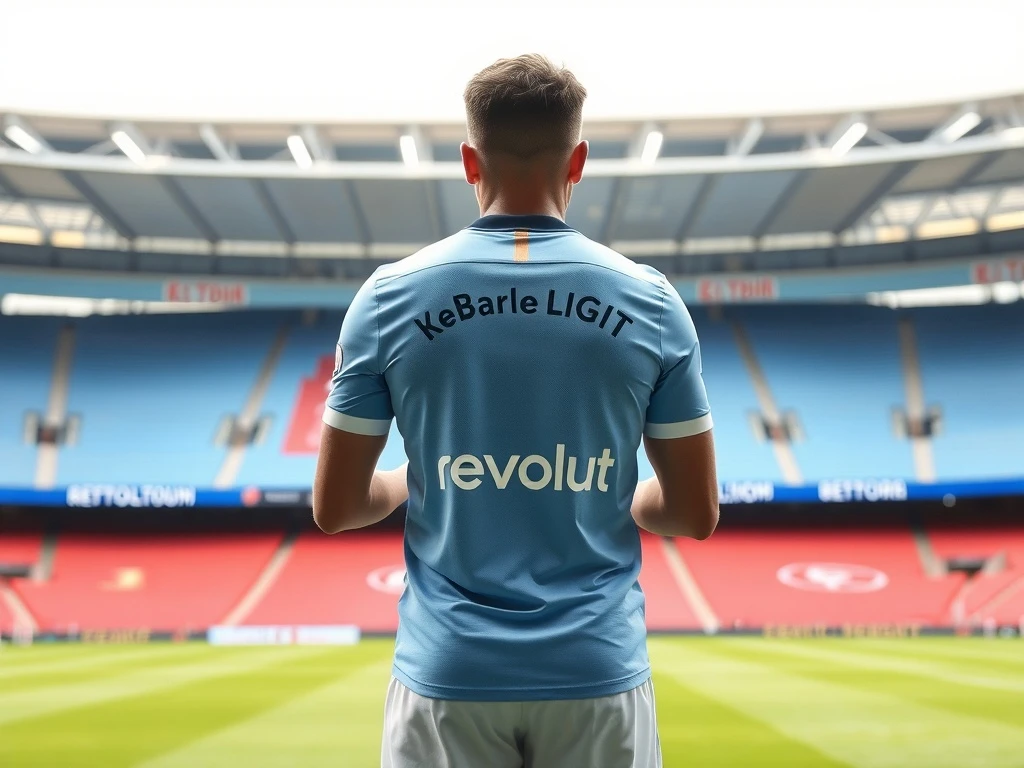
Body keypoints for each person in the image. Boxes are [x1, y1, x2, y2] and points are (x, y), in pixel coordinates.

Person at [313, 54, 719, 768]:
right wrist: (616, 489)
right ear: (579, 161)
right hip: (597, 674)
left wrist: (416, 476)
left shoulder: (387, 298)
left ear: (470, 162)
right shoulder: (651, 302)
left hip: (447, 675)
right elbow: (694, 513)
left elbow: (337, 507)